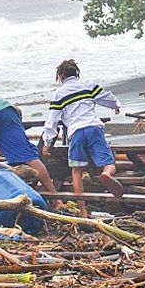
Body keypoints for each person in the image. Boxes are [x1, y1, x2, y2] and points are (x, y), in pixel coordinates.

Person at [42, 59, 123, 206]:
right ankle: (106, 174)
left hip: (76, 132)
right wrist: (115, 105)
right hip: (94, 128)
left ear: (61, 76)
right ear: (76, 73)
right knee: (109, 163)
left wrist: (47, 143)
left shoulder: (58, 94)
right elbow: (106, 97)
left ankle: (83, 211)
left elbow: (52, 121)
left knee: (76, 171)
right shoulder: (88, 85)